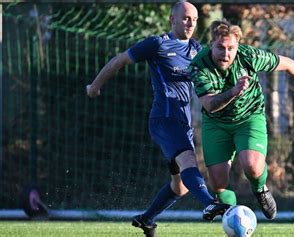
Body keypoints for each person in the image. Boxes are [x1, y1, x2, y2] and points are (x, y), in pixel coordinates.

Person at [86, 2, 229, 237]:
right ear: (172, 20)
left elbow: (220, 67)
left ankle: (146, 219)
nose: (191, 23)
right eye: (185, 18)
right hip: (164, 118)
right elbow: (119, 60)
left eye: (194, 18)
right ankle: (209, 203)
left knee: (180, 186)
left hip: (183, 123)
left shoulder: (197, 49)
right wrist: (95, 86)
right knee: (188, 162)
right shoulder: (158, 44)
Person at [190, 20, 294, 220]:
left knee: (252, 165)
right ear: (211, 44)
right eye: (220, 48)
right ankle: (233, 219)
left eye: (231, 48)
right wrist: (234, 92)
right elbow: (210, 104)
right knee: (218, 183)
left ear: (238, 46)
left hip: (249, 117)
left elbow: (287, 63)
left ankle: (260, 189)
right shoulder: (199, 65)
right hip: (216, 123)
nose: (226, 54)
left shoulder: (249, 56)